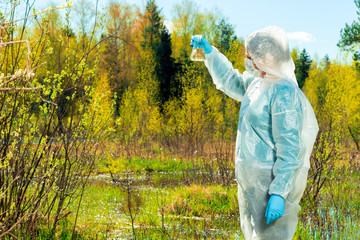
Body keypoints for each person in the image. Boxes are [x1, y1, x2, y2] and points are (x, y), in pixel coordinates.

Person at [190, 26, 319, 239]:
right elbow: (232, 81)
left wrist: (279, 192)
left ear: (267, 56)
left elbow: (290, 148)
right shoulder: (258, 83)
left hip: (269, 184)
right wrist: (210, 53)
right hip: (251, 183)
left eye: (250, 56)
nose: (247, 60)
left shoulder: (284, 92)